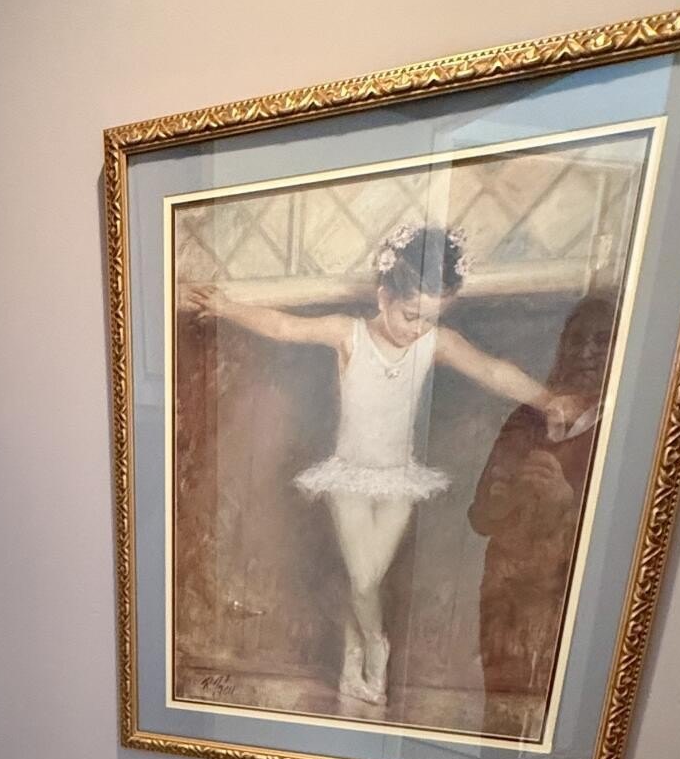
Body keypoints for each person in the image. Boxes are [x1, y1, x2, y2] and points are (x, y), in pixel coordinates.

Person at [183, 224, 583, 706]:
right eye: (411, 315)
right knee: (363, 577)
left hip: (399, 481)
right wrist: (227, 307)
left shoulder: (434, 343)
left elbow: (492, 370)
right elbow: (286, 327)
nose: (418, 328)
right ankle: (375, 643)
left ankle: (355, 651)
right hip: (349, 478)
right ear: (383, 297)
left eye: (430, 318)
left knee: (368, 577)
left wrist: (547, 400)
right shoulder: (348, 334)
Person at [469, 295, 615, 731]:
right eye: (576, 340)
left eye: (601, 340)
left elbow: (633, 534)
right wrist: (514, 492)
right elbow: (480, 517)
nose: (586, 352)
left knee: (566, 727)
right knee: (500, 722)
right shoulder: (527, 421)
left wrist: (566, 502)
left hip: (573, 604)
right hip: (506, 604)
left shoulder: (626, 427)